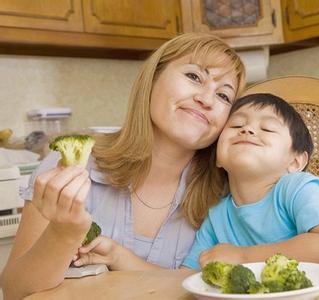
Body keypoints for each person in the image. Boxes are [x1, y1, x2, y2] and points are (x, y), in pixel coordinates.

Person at [1, 33, 246, 299]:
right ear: (152, 79)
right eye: (194, 77)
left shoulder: (229, 193)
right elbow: (16, 291)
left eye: (223, 96)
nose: (207, 99)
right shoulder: (71, 164)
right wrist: (64, 232)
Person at [182, 93, 319, 271]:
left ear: (295, 162)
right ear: (217, 158)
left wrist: (243, 256)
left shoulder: (297, 188)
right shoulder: (216, 215)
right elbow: (187, 275)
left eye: (267, 128)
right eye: (236, 125)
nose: (247, 130)